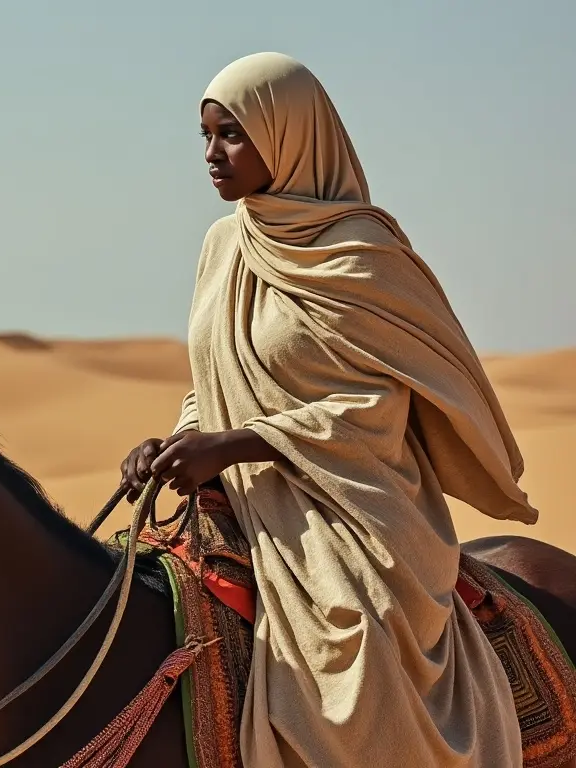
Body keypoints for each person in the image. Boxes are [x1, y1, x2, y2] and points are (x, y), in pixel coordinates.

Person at [121, 51, 537, 767]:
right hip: (246, 497)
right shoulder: (224, 245)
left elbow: (378, 407)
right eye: (206, 135)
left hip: (356, 506)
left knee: (355, 643)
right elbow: (216, 375)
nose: (213, 156)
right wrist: (180, 437)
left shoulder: (361, 252)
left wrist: (238, 444)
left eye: (233, 136)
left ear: (289, 136)